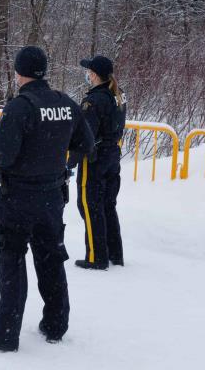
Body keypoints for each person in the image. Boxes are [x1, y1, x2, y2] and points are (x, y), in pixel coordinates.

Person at [0, 46, 94, 353]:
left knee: (12, 261)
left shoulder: (20, 107)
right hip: (52, 197)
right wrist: (65, 166)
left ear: (19, 73)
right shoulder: (65, 103)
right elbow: (87, 143)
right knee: (51, 259)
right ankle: (55, 324)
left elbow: (4, 154)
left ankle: (5, 333)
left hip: (18, 198)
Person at [72, 55, 127, 270]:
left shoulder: (93, 101)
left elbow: (85, 136)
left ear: (94, 74)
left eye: (89, 71)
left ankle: (96, 256)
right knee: (107, 205)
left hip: (95, 158)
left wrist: (69, 161)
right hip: (112, 154)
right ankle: (115, 253)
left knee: (89, 205)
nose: (87, 74)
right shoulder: (118, 95)